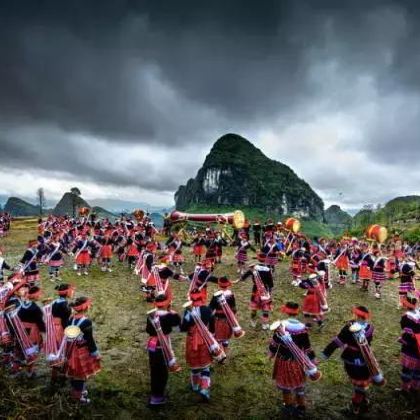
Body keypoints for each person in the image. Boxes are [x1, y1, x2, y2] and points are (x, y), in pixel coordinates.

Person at [321, 306, 384, 415]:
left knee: (358, 384)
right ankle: (364, 400)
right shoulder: (370, 328)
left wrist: (325, 353)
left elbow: (337, 342)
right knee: (363, 379)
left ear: (356, 315)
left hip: (352, 359)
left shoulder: (349, 328)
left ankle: (355, 408)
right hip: (366, 358)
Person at [268, 302, 319, 418]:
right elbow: (307, 347)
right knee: (299, 385)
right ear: (297, 312)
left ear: (286, 311)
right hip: (298, 362)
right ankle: (301, 407)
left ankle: (288, 406)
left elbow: (275, 343)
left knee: (286, 387)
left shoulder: (280, 326)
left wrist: (271, 353)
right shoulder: (302, 328)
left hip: (283, 361)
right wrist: (313, 359)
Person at [146, 293, 181, 406]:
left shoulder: (151, 315)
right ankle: (157, 397)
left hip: (152, 344)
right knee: (162, 372)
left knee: (154, 370)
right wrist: (173, 312)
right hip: (163, 344)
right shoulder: (170, 316)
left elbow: (148, 330)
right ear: (167, 303)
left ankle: (155, 394)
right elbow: (177, 325)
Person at [65, 297, 101, 404]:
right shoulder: (86, 322)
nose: (90, 306)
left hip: (71, 350)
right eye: (88, 304)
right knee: (80, 375)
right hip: (82, 351)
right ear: (85, 307)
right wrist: (95, 353)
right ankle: (78, 397)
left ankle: (79, 391)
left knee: (74, 372)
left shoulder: (71, 319)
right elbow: (89, 340)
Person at [181, 289, 215, 401]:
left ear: (191, 299)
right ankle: (204, 388)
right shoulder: (207, 310)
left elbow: (183, 328)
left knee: (194, 366)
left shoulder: (187, 312)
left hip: (192, 341)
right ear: (202, 297)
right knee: (205, 366)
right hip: (205, 340)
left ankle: (195, 386)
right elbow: (212, 324)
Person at [397, 294, 420, 397]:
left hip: (411, 348)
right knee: (418, 369)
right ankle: (415, 387)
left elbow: (406, 330)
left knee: (407, 369)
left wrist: (404, 339)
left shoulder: (407, 317)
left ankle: (404, 388)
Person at [240, 258, 273, 330]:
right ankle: (264, 324)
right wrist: (270, 292)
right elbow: (270, 284)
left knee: (254, 308)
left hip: (255, 290)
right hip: (265, 291)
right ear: (265, 261)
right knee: (266, 308)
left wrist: (239, 280)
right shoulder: (268, 270)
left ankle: (253, 321)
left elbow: (245, 275)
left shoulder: (253, 268)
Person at [209, 276, 238, 354]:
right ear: (228, 285)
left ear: (219, 285)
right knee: (226, 338)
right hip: (229, 320)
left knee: (218, 338)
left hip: (218, 320)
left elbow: (210, 308)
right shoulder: (231, 295)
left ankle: (221, 355)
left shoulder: (215, 296)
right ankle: (225, 352)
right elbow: (234, 309)